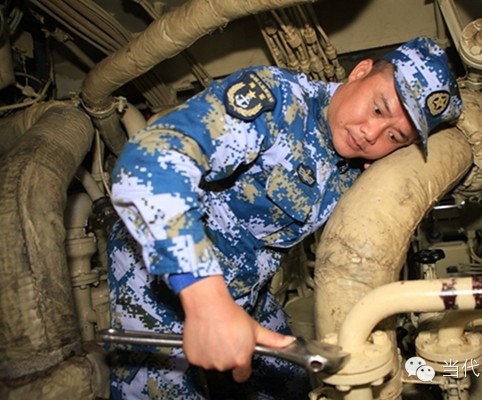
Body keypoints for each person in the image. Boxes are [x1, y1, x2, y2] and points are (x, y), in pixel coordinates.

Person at [107, 36, 462, 399]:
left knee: (293, 384)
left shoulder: (354, 162)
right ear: (360, 72)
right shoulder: (278, 103)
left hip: (245, 287)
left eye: (393, 135)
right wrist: (206, 300)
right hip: (161, 279)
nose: (371, 133)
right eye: (377, 108)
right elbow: (149, 163)